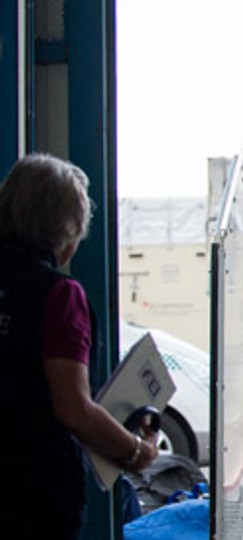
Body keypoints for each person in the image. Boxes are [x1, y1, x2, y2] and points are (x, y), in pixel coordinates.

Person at [0, 153, 160, 538]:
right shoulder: (58, 296)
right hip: (31, 490)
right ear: (68, 231)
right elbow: (72, 407)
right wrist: (137, 451)